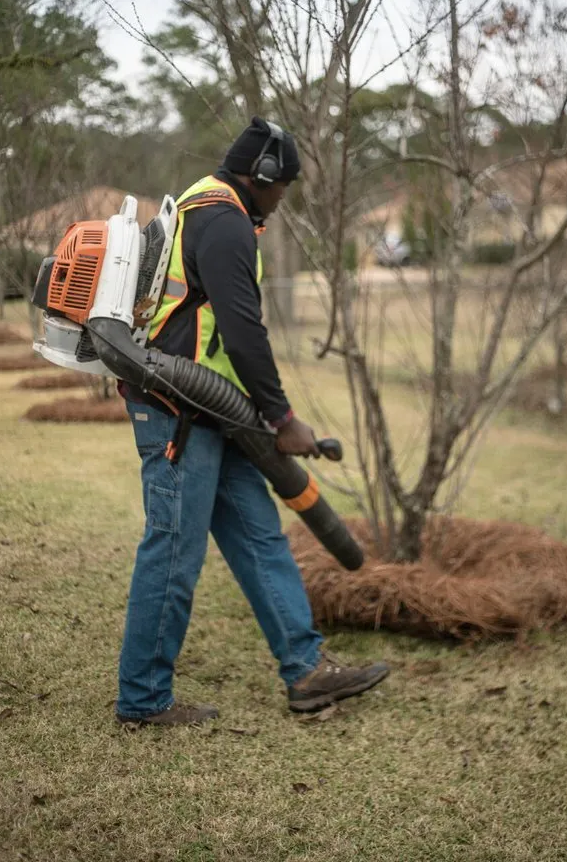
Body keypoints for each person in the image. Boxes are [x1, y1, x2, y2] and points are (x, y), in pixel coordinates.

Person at [115, 116, 389, 725]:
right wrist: (282, 417)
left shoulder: (209, 206)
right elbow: (242, 331)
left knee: (261, 538)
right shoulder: (223, 221)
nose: (283, 197)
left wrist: (255, 415)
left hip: (218, 414)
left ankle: (306, 670)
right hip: (179, 412)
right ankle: (142, 700)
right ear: (261, 175)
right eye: (283, 185)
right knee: (174, 550)